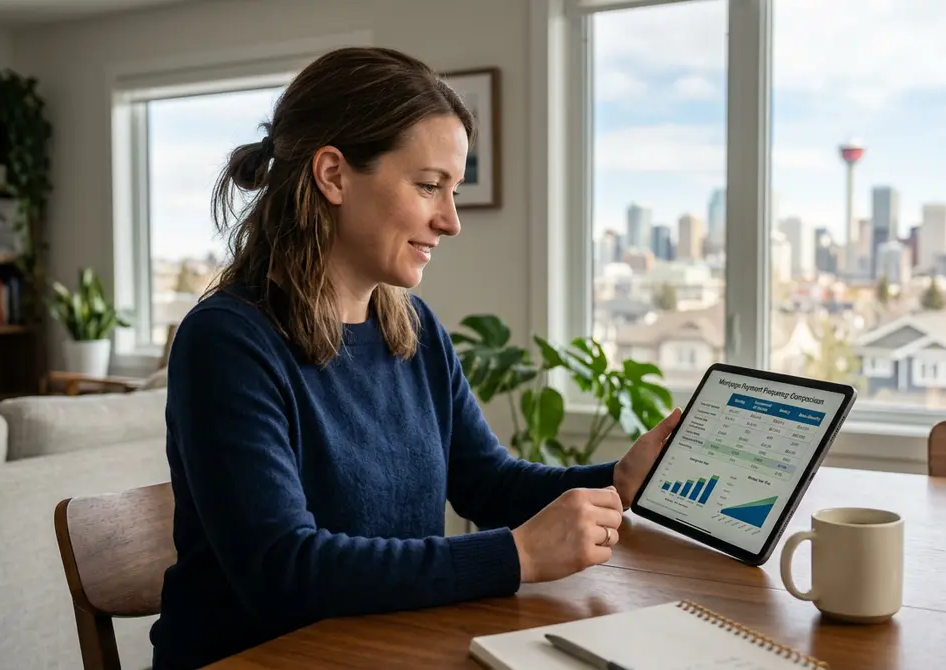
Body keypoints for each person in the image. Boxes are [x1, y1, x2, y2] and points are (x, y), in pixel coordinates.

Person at [149, 46, 682, 669]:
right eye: (430, 186)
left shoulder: (413, 329)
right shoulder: (227, 342)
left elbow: (488, 481)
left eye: (451, 190)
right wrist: (516, 555)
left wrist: (615, 481)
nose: (451, 221)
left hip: (389, 649)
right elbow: (283, 571)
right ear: (333, 175)